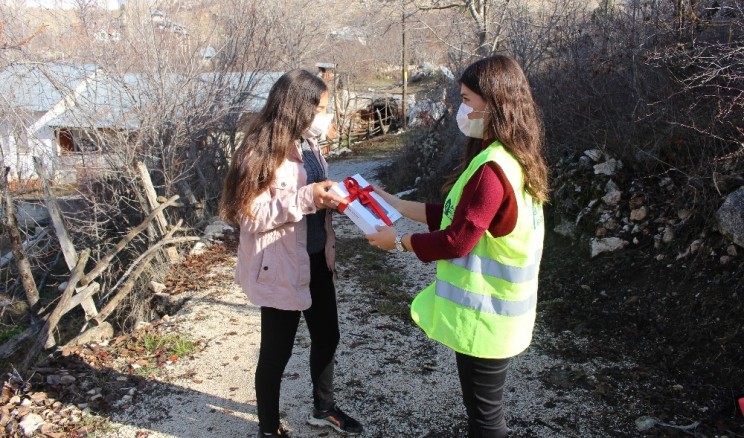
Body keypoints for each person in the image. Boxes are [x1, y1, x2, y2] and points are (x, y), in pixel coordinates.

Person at [366, 55, 549, 438]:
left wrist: (397, 242)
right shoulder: (509, 158)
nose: (462, 109)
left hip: (487, 318)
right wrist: (396, 204)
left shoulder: (492, 169)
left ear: (494, 103)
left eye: (468, 100)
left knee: (485, 419)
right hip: (500, 317)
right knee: (484, 412)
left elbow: (457, 240)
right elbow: (455, 216)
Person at [220, 69, 364, 438]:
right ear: (298, 107)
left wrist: (337, 196)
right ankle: (269, 429)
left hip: (316, 257)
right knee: (275, 354)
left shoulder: (308, 144)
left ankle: (324, 409)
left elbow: (313, 194)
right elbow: (246, 215)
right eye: (321, 108)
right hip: (280, 264)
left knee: (328, 335)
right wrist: (307, 197)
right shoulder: (258, 150)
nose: (324, 116)